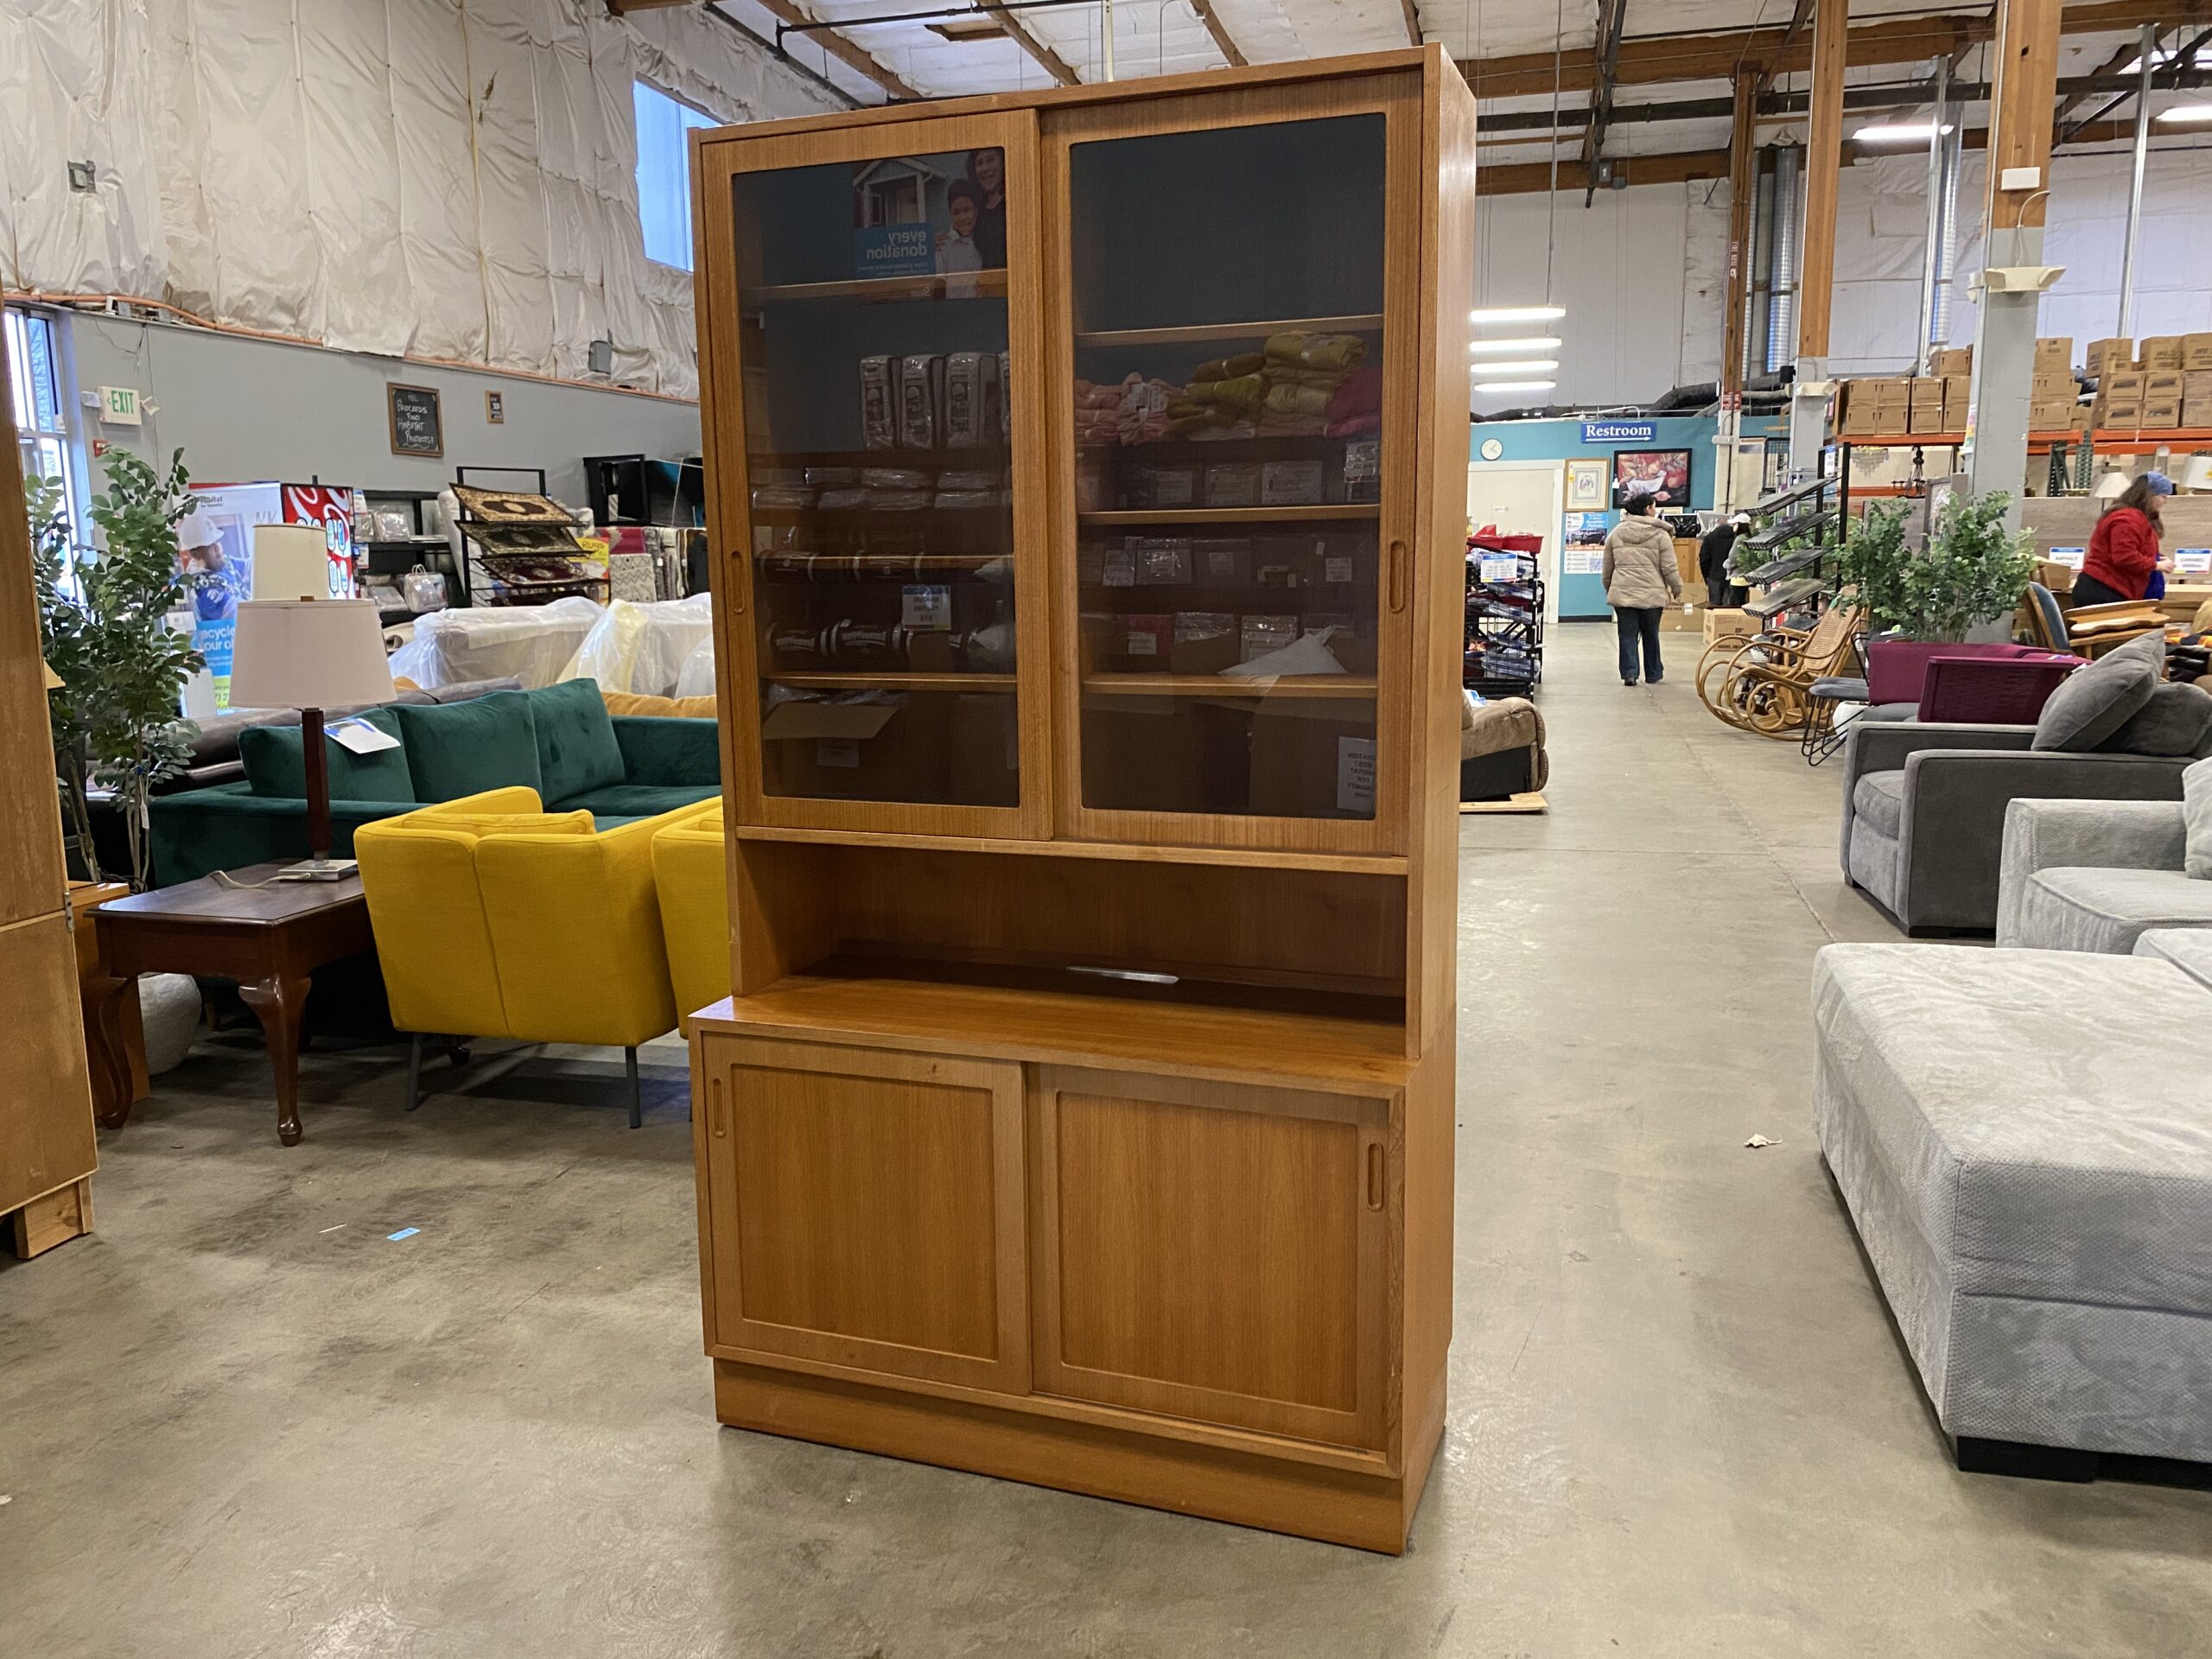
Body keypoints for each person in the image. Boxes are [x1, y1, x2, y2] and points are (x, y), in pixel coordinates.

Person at [1604, 492, 1682, 686]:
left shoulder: (1617, 533)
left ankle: (1630, 674)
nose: (1655, 511)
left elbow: (1607, 567)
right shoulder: (1660, 534)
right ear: (1647, 509)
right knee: (1651, 635)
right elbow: (1669, 567)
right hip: (1652, 594)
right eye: (1654, 506)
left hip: (1623, 594)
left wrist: (1610, 587)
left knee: (1627, 635)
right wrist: (1676, 587)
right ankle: (1653, 673)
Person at [2076, 472, 2177, 607]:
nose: (2164, 501)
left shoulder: (2134, 517)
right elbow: (2123, 556)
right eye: (2163, 496)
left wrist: (2159, 558)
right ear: (2149, 495)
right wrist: (2155, 565)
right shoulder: (2127, 519)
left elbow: (2137, 548)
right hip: (2104, 590)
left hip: (2111, 588)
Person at [1700, 511, 1751, 609]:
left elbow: (1704, 559)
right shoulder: (1737, 537)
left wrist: (1706, 576)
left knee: (1715, 608)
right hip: (1734, 576)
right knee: (1731, 607)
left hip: (1714, 576)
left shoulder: (1709, 538)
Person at [964, 147, 1007, 269]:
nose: (985, 168)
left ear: (1003, 163)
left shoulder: (1013, 204)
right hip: (983, 284)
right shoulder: (975, 209)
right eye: (979, 163)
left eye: (990, 160)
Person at [937, 180, 984, 276]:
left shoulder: (986, 239)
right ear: (950, 214)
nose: (962, 218)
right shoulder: (943, 245)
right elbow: (939, 283)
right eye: (956, 212)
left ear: (976, 210)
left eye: (967, 210)